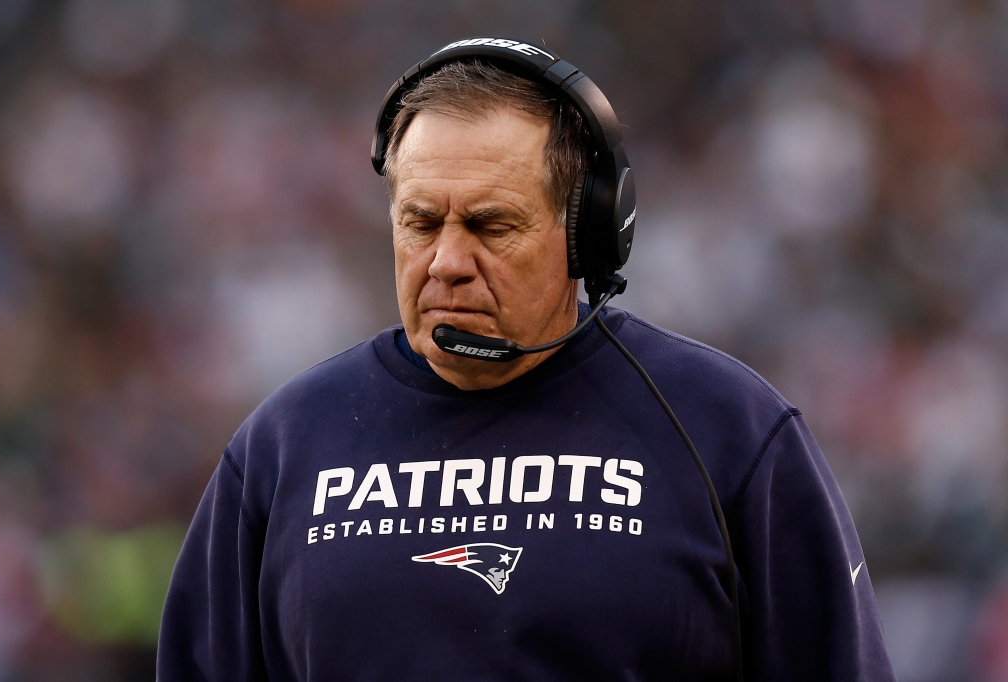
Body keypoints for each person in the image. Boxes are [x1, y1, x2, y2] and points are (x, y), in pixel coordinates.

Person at [157, 38, 895, 681]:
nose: (446, 261)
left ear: (589, 236)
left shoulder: (728, 430)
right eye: (420, 222)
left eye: (490, 224)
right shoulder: (282, 447)